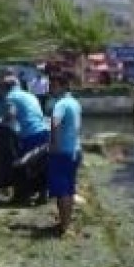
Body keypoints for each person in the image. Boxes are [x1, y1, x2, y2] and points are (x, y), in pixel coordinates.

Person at [0, 76, 49, 204]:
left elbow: (11, 114)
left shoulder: (11, 96)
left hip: (30, 133)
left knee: (23, 165)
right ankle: (43, 195)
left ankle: (23, 196)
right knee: (41, 164)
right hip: (44, 130)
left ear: (5, 87)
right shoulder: (30, 95)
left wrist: (1, 121)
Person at [48, 72, 83, 236]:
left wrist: (53, 144)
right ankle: (66, 223)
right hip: (75, 150)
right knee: (69, 189)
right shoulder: (75, 102)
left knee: (62, 190)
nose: (51, 89)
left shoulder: (60, 104)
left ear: (63, 86)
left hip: (62, 151)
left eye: (54, 86)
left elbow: (54, 123)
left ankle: (64, 226)